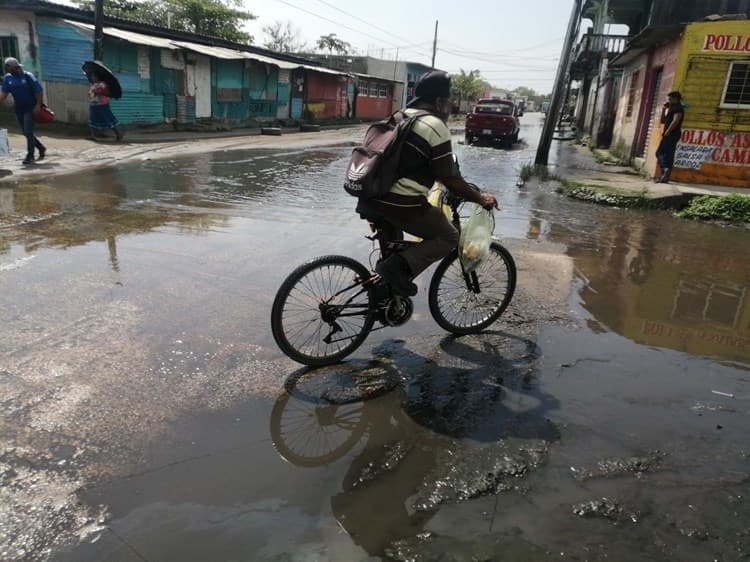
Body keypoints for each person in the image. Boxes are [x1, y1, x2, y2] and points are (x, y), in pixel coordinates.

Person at [356, 70, 498, 296]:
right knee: (449, 236)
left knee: (395, 253)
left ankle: (383, 296)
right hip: (400, 204)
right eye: (449, 100)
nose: (450, 105)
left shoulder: (398, 117)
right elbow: (448, 177)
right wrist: (480, 198)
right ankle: (393, 272)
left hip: (370, 198)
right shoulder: (434, 125)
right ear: (439, 101)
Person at [0, 57, 46, 165]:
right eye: (14, 68)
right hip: (19, 109)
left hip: (30, 108)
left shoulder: (28, 76)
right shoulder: (8, 79)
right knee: (25, 132)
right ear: (9, 69)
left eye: (17, 67)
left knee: (28, 131)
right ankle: (41, 147)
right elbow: (4, 94)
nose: (17, 69)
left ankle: (30, 156)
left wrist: (38, 105)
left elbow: (39, 90)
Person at [654, 90, 684, 184]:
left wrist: (667, 132)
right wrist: (664, 109)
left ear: (676, 99)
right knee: (667, 155)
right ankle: (665, 176)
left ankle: (665, 169)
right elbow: (663, 120)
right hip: (669, 134)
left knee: (659, 153)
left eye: (670, 99)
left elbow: (676, 120)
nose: (668, 101)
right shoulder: (671, 108)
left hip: (671, 135)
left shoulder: (678, 108)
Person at [87, 71, 123, 142]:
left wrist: (98, 92)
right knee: (92, 120)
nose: (92, 78)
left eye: (93, 76)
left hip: (102, 104)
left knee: (108, 119)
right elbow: (91, 94)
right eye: (92, 76)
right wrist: (91, 94)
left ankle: (118, 134)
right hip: (94, 105)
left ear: (97, 77)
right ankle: (93, 136)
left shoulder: (103, 84)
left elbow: (107, 93)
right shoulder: (93, 85)